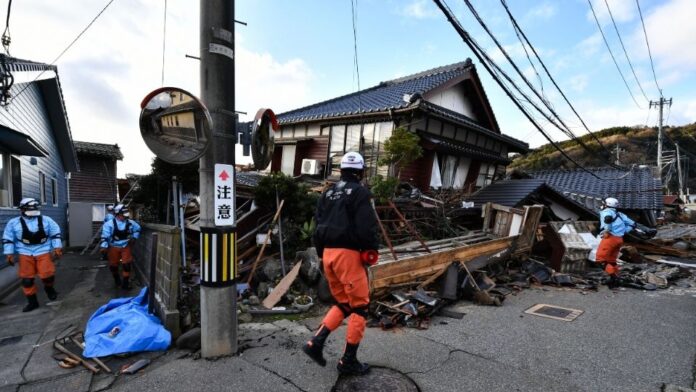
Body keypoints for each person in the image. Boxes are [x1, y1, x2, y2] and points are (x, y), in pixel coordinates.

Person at [303, 151, 379, 376]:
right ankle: (348, 361)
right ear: (361, 171)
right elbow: (366, 226)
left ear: (342, 170)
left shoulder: (327, 193)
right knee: (360, 307)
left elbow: (318, 226)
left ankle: (315, 344)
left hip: (327, 255)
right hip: (348, 256)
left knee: (344, 303)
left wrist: (320, 254)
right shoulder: (360, 193)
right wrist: (371, 249)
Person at [2, 198, 62, 312]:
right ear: (22, 209)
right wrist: (9, 253)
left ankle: (49, 288)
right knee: (27, 280)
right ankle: (32, 302)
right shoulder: (13, 223)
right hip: (24, 252)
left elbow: (55, 233)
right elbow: (8, 238)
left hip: (43, 250)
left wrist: (57, 247)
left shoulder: (47, 220)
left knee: (48, 275)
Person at [596, 197, 635, 288]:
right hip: (619, 239)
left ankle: (614, 278)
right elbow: (633, 224)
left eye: (603, 203)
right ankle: (616, 277)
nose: (602, 204)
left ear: (607, 204)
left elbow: (608, 219)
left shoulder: (606, 212)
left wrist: (607, 230)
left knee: (600, 261)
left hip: (610, 238)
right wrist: (624, 231)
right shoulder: (620, 214)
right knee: (611, 260)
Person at [100, 204, 141, 289]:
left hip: (125, 246)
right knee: (113, 266)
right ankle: (117, 280)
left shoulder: (130, 223)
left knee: (126, 265)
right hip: (113, 246)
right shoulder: (109, 224)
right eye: (123, 214)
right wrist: (104, 246)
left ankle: (126, 283)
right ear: (117, 214)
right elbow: (105, 236)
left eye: (126, 214)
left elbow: (137, 229)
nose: (125, 217)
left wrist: (134, 237)